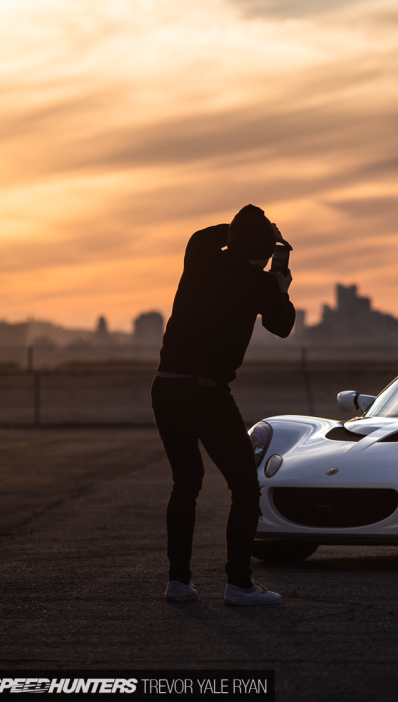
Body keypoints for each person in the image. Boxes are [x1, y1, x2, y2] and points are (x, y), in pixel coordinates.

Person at [152, 204, 295, 605]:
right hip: (206, 392)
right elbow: (281, 325)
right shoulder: (258, 282)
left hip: (165, 387)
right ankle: (239, 584)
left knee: (186, 483)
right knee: (245, 488)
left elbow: (208, 233)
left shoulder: (199, 255)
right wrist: (280, 285)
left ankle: (178, 582)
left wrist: (242, 232)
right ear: (267, 251)